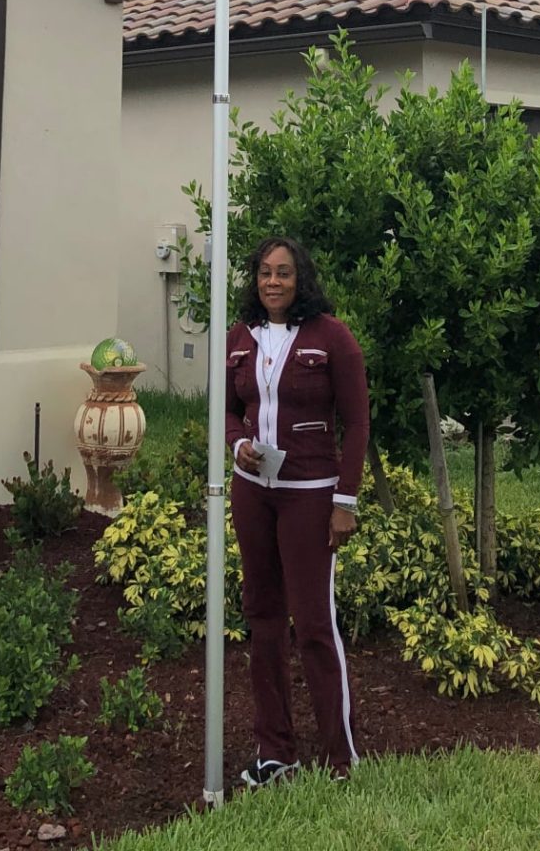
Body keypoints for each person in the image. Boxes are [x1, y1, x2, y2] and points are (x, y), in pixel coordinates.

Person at [226, 234, 370, 788]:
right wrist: (236, 441)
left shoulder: (332, 337)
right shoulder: (242, 336)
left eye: (283, 273)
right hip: (252, 492)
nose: (273, 282)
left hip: (311, 494)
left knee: (313, 624)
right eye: (264, 272)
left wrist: (345, 501)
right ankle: (275, 752)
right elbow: (229, 409)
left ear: (300, 278)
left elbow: (356, 423)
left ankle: (339, 757)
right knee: (263, 618)